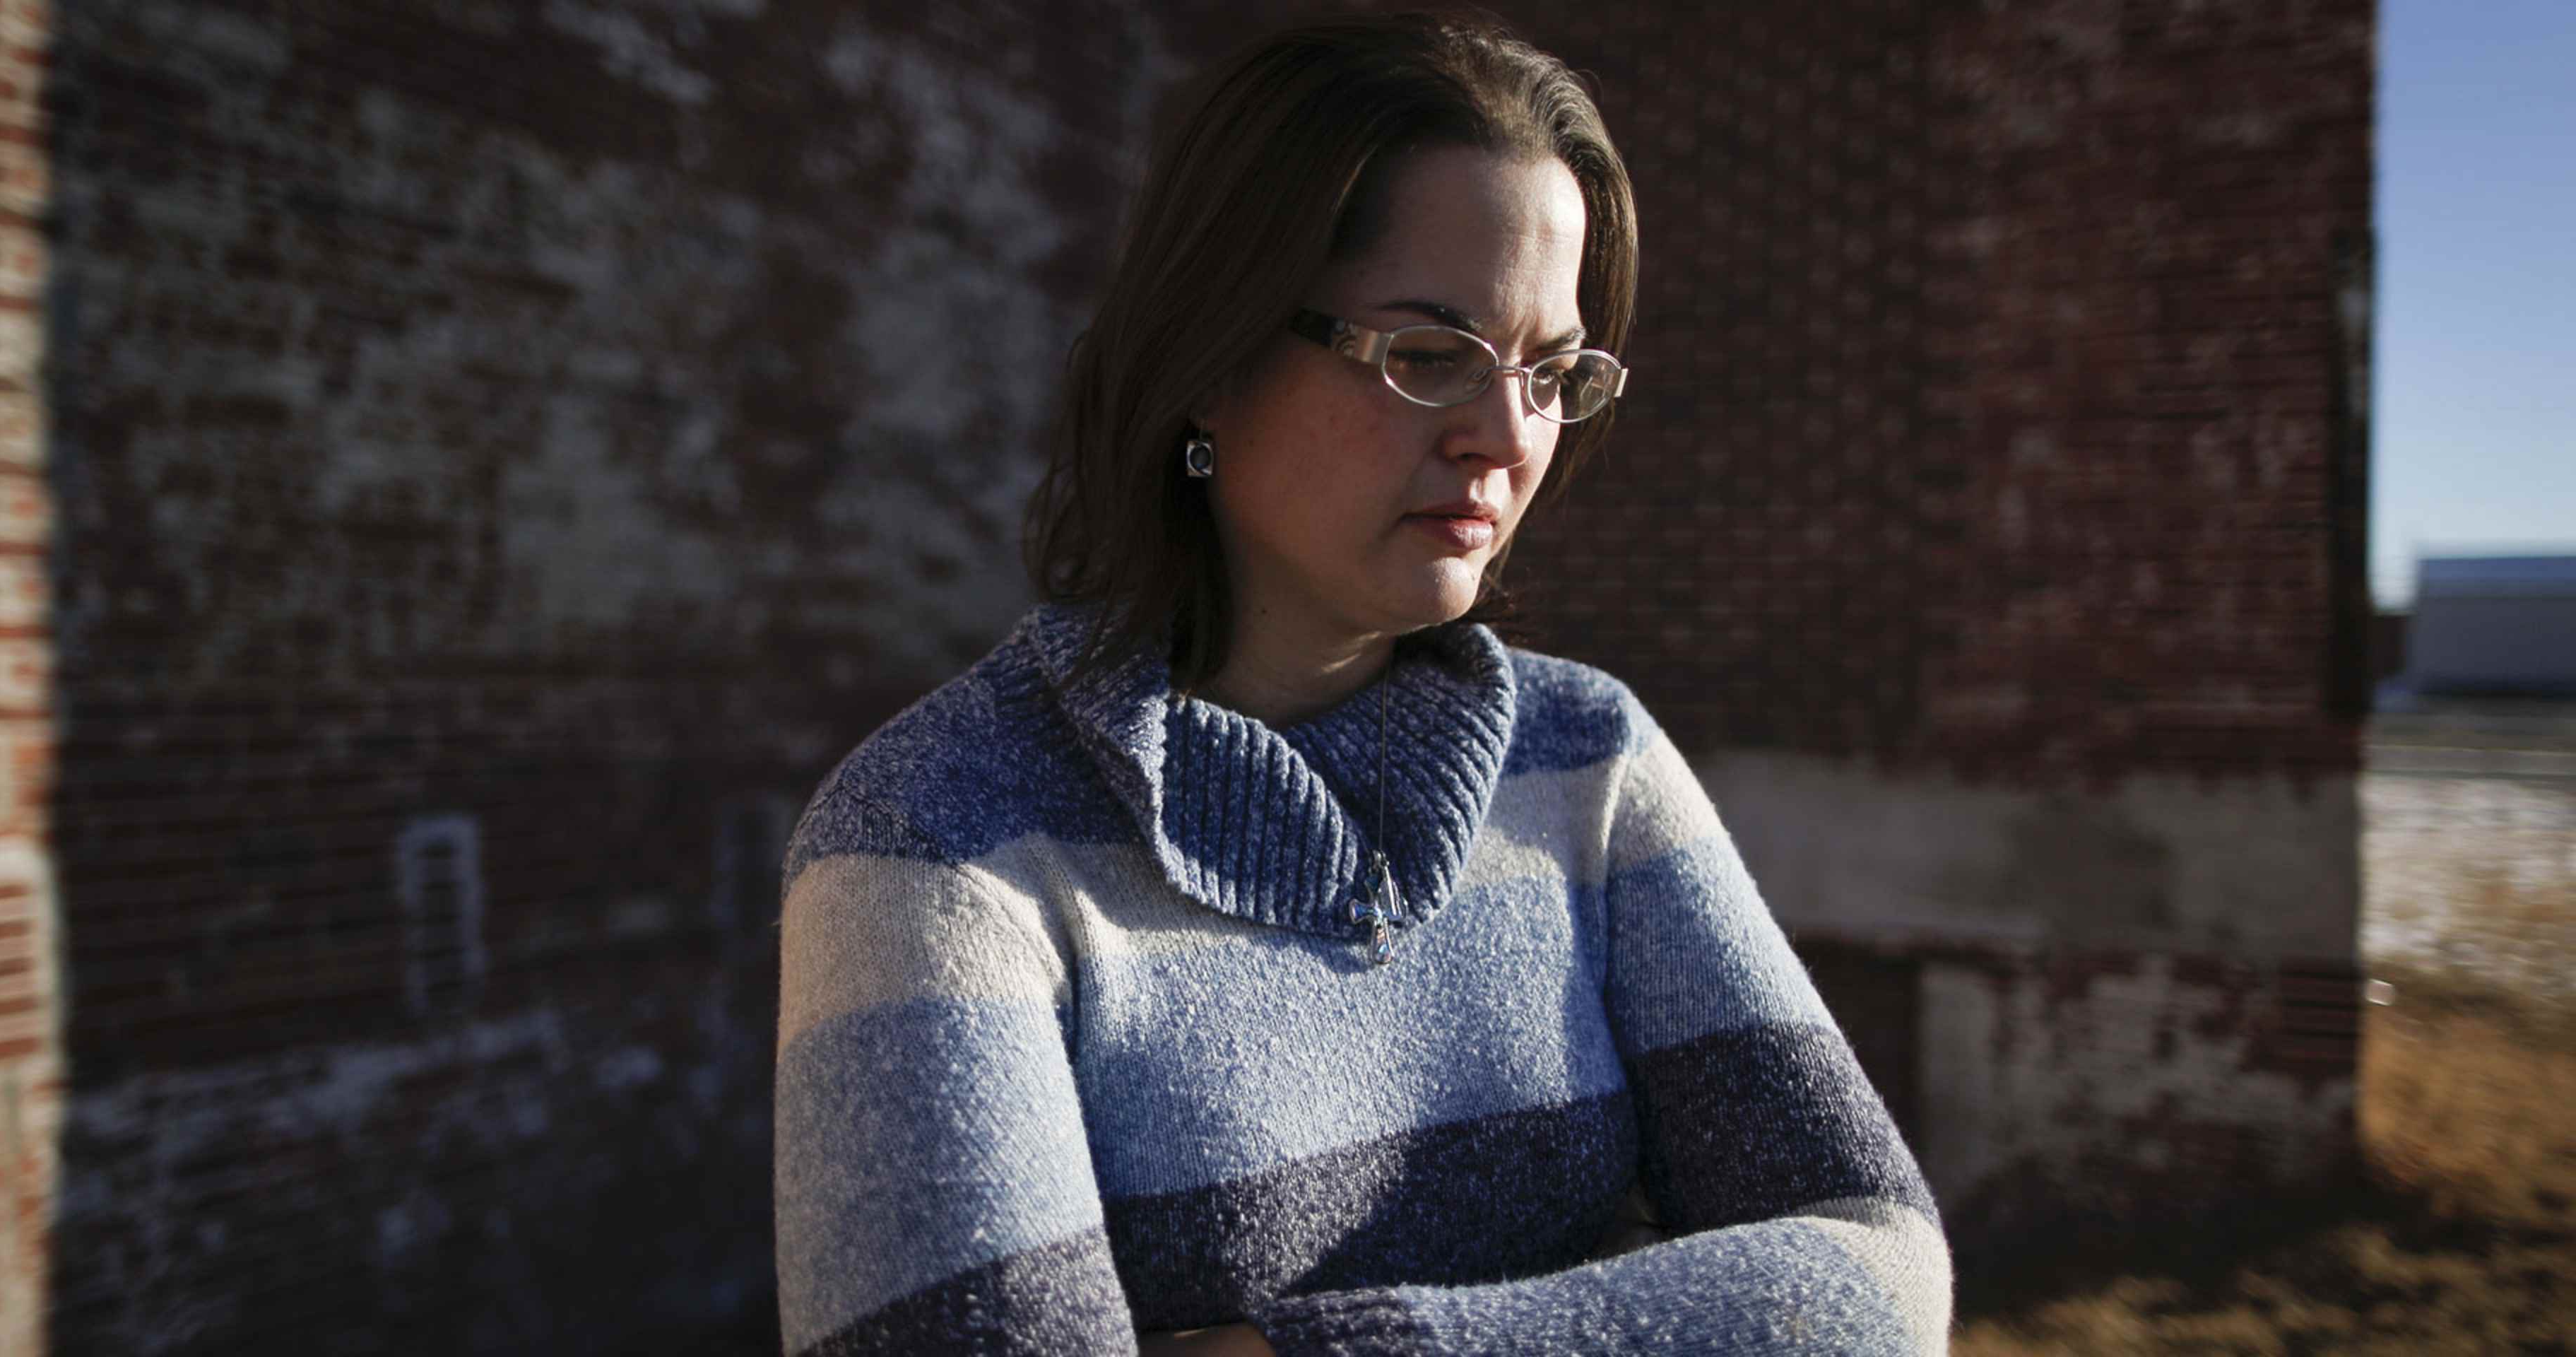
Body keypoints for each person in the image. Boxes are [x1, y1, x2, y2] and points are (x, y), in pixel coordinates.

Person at [772, 12, 1951, 1355]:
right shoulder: (939, 844)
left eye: (1554, 373)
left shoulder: (1588, 767)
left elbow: (1878, 1276)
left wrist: (1292, 1349)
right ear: (1211, 358)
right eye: (1429, 355)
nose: (1509, 438)